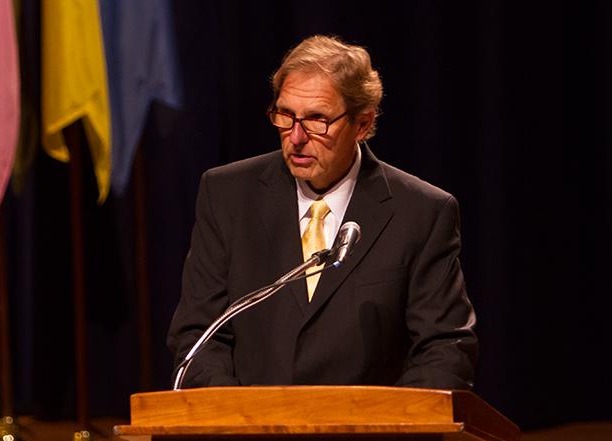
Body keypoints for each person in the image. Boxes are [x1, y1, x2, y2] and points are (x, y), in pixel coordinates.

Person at [168, 35, 477, 389]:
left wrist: (383, 430)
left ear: (362, 124)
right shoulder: (227, 195)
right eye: (285, 115)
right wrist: (240, 422)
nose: (296, 137)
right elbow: (198, 335)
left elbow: (445, 349)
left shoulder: (422, 213)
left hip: (369, 439)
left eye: (317, 120)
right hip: (251, 436)